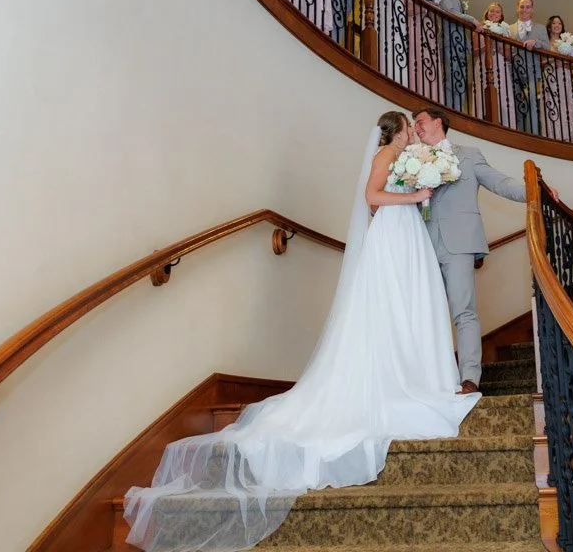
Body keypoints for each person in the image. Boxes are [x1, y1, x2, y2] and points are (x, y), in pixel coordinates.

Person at [124, 112, 479, 552]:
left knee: (409, 305)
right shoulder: (388, 153)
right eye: (408, 125)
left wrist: (417, 193)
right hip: (393, 234)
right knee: (391, 306)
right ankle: (403, 376)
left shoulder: (404, 155)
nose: (412, 131)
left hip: (406, 235)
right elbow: (372, 197)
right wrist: (416, 195)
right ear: (396, 130)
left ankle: (420, 373)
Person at [413, 108, 557, 393]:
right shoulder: (412, 160)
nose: (415, 128)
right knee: (426, 314)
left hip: (459, 245)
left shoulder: (469, 154)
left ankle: (469, 378)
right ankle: (432, 379)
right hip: (423, 245)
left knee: (463, 311)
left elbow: (499, 182)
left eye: (420, 122)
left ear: (437, 123)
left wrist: (534, 189)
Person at [438, 0, 483, 114]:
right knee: (452, 78)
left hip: (459, 43)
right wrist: (472, 19)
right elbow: (449, 11)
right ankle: (451, 112)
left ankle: (458, 111)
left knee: (460, 79)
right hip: (450, 41)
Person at [507, 0, 548, 134]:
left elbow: (547, 47)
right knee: (515, 103)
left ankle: (534, 135)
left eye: (528, 7)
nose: (524, 10)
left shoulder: (540, 28)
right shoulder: (509, 28)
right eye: (522, 7)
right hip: (513, 71)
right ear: (517, 8)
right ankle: (518, 134)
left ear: (532, 10)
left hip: (532, 71)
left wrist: (536, 42)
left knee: (532, 103)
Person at [542, 15, 573, 143]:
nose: (557, 25)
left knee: (568, 103)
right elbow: (541, 61)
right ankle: (556, 135)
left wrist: (566, 62)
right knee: (554, 104)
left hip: (566, 76)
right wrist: (556, 58)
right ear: (549, 27)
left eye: (559, 23)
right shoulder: (546, 43)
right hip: (552, 76)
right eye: (554, 23)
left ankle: (571, 136)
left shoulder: (568, 43)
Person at [408, 0, 443, 101]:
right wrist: (426, 4)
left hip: (429, 29)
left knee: (429, 60)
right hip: (414, 26)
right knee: (415, 56)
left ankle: (430, 94)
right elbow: (409, 10)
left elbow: (436, 14)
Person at [479, 2, 514, 126]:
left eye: (497, 11)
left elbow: (509, 56)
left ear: (501, 15)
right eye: (492, 11)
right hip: (483, 63)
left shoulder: (506, 31)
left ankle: (504, 123)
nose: (494, 13)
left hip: (500, 63)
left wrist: (499, 47)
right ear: (487, 13)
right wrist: (488, 45)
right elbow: (473, 51)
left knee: (502, 94)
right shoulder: (480, 28)